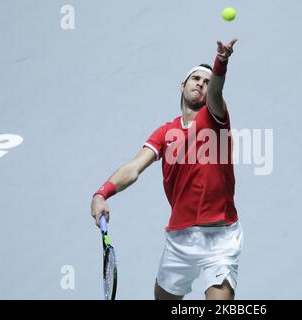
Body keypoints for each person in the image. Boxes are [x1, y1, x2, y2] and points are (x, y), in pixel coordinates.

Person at [91, 39, 242, 300]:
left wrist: (221, 62)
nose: (201, 84)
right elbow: (133, 168)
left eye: (206, 82)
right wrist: (101, 194)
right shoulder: (165, 132)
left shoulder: (215, 118)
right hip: (180, 238)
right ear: (183, 86)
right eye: (195, 78)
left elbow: (217, 92)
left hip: (221, 237)